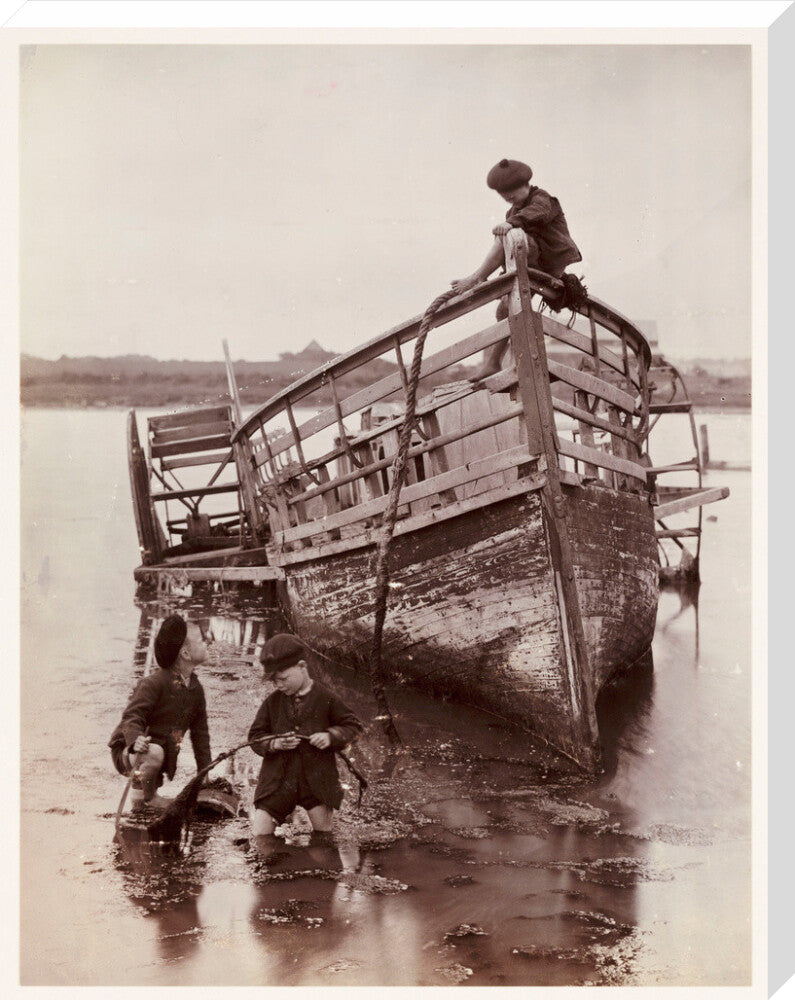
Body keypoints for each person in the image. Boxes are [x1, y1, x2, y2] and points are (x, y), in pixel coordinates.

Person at [451, 158, 583, 381]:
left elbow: (538, 213)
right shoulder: (512, 213)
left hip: (549, 263)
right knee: (505, 309)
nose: (507, 197)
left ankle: (476, 277)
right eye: (503, 194)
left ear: (526, 185)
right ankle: (493, 362)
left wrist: (513, 224)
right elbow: (513, 254)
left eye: (512, 192)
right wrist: (505, 276)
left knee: (509, 236)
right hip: (526, 265)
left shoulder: (543, 200)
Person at [247, 633, 363, 837]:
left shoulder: (327, 698)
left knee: (324, 838)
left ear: (302, 666)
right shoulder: (273, 702)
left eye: (283, 679)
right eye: (274, 682)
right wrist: (274, 743)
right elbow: (255, 737)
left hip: (316, 783)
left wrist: (330, 736)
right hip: (277, 782)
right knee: (260, 836)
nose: (279, 686)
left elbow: (353, 727)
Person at [109, 614, 212, 808]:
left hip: (159, 753)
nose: (207, 642)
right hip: (131, 750)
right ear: (186, 654)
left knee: (156, 754)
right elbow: (132, 716)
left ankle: (140, 800)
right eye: (201, 640)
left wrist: (204, 772)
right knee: (154, 753)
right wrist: (135, 740)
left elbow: (201, 736)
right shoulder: (154, 683)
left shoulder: (196, 690)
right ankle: (148, 799)